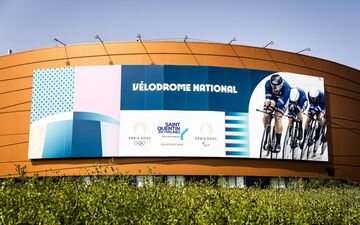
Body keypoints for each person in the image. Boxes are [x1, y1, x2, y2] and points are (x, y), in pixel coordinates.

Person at [263, 73, 291, 153]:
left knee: (277, 117)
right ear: (271, 83)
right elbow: (268, 98)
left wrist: (274, 107)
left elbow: (280, 104)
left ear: (281, 84)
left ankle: (278, 143)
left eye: (278, 86)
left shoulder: (287, 88)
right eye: (273, 86)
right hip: (273, 98)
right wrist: (267, 110)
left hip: (283, 100)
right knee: (266, 115)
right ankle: (266, 133)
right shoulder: (267, 83)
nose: (275, 88)